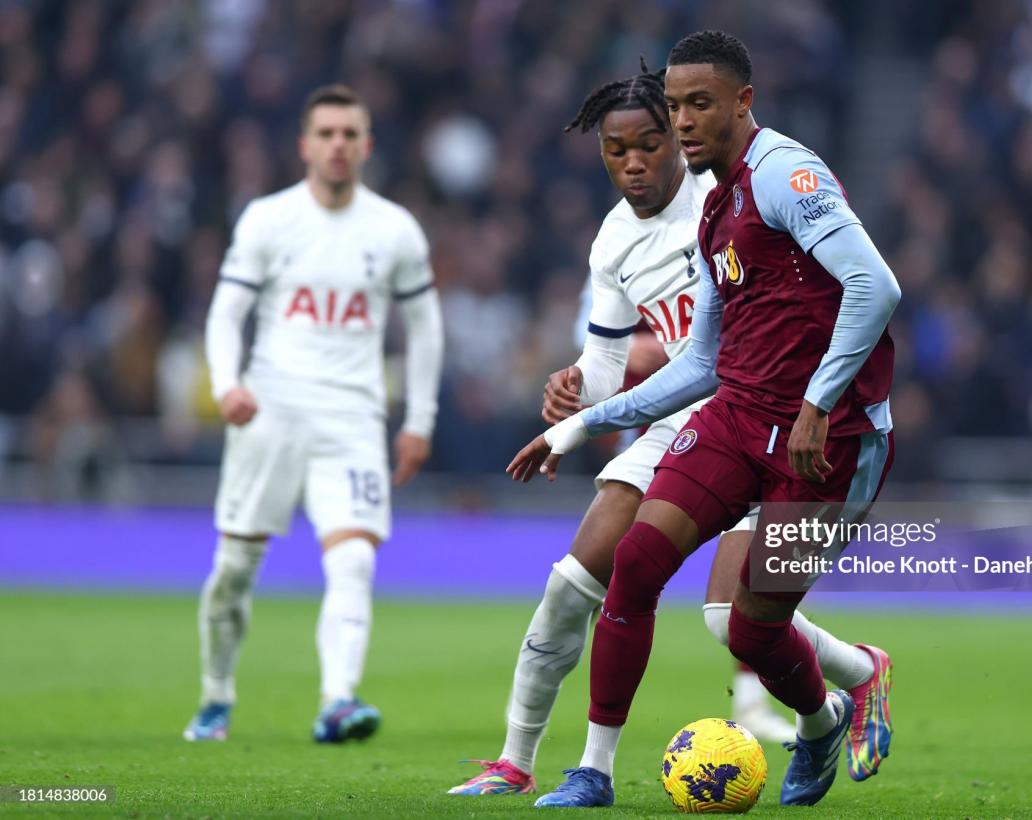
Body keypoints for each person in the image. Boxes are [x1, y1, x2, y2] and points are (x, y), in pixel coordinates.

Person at [452, 63, 879, 797]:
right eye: (617, 151)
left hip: (768, 412)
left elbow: (828, 294)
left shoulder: (731, 191)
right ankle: (523, 763)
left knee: (730, 618)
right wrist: (577, 390)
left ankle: (850, 683)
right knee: (578, 582)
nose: (636, 162)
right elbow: (614, 358)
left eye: (651, 142)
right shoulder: (613, 242)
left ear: (681, 135)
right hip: (682, 420)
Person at [183, 84, 444, 744]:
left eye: (349, 134)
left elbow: (425, 327)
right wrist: (227, 383)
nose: (337, 145)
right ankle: (216, 696)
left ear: (366, 146)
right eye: (326, 133)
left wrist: (419, 419)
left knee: (353, 562)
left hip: (353, 418)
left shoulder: (393, 229)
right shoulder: (268, 220)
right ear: (305, 144)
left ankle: (337, 701)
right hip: (270, 412)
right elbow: (228, 311)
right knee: (234, 571)